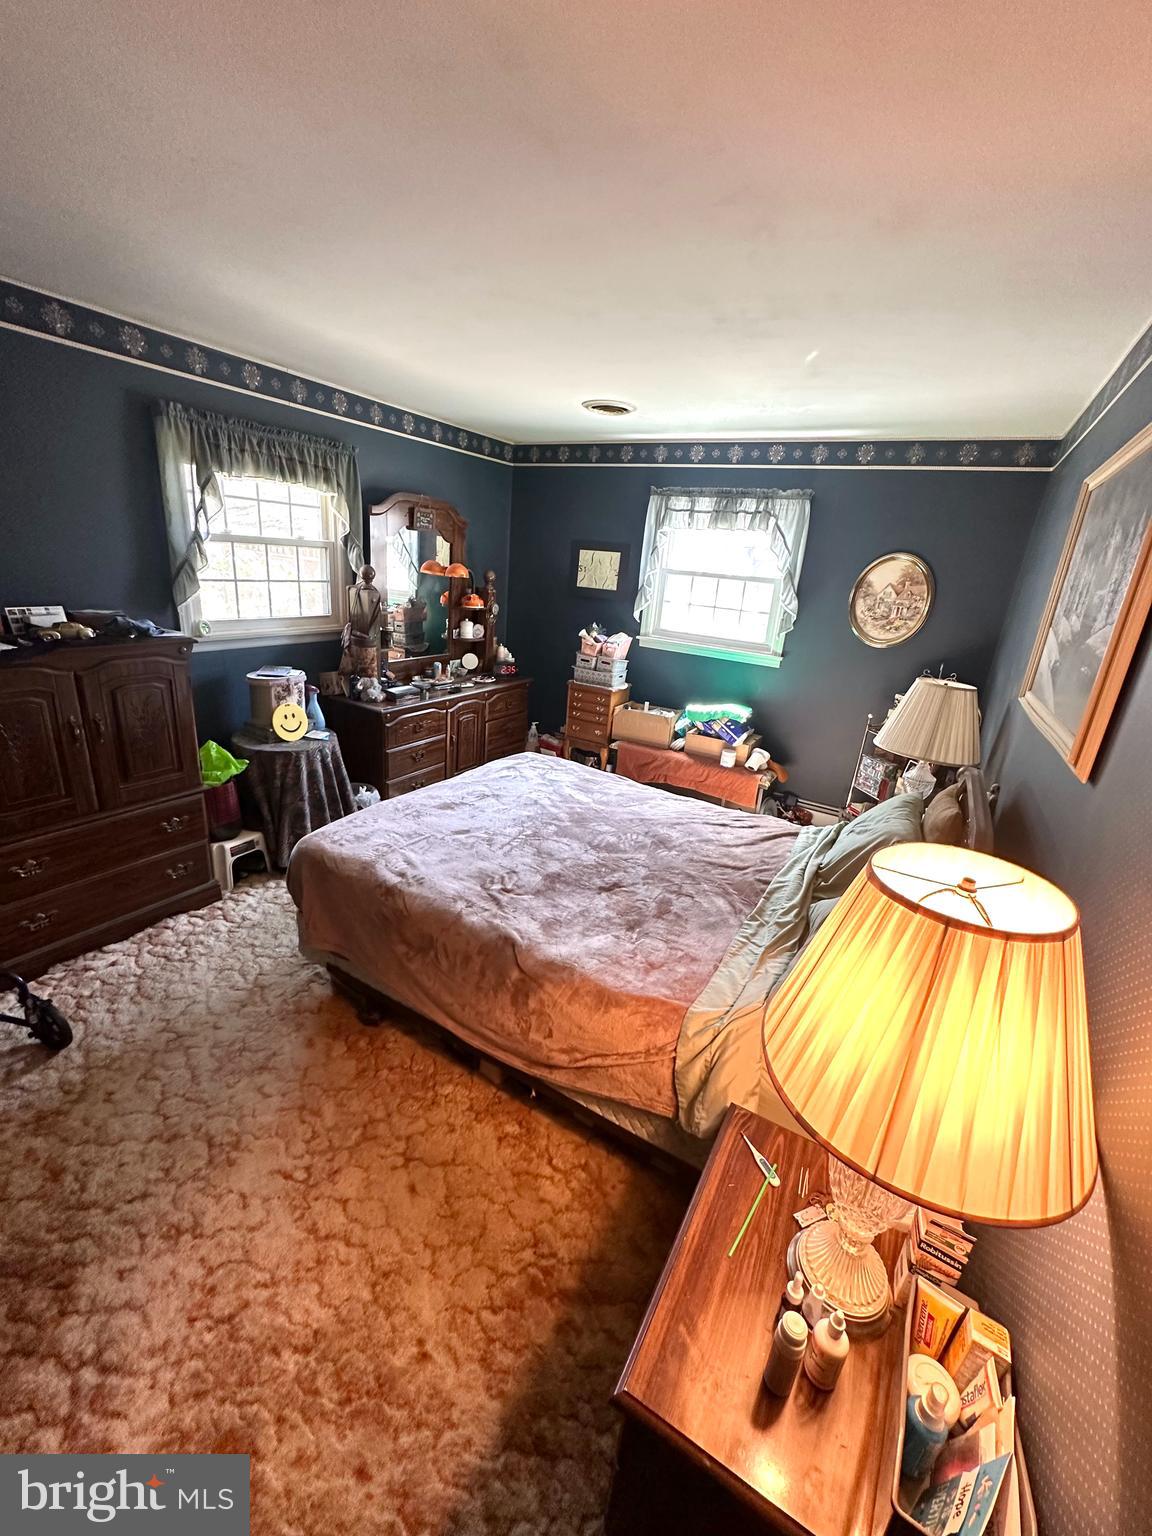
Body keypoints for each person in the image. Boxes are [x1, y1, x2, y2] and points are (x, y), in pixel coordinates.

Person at [340, 564, 383, 677]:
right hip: (365, 645)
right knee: (368, 677)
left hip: (358, 641)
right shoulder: (372, 593)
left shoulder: (353, 589)